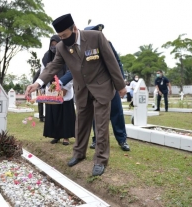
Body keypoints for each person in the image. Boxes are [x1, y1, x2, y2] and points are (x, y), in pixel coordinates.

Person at [25, 14, 126, 176]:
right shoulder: (61, 47)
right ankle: (78, 153)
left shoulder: (96, 37)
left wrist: (120, 86)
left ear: (74, 28)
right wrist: (37, 83)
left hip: (101, 87)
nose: (63, 39)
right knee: (81, 123)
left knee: (100, 125)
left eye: (65, 35)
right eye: (60, 37)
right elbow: (52, 67)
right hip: (82, 90)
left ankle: (100, 160)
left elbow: (111, 61)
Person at [59, 24, 130, 152]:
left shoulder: (107, 44)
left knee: (116, 112)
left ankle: (122, 139)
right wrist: (60, 82)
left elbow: (116, 63)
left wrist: (120, 84)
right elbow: (74, 71)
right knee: (95, 115)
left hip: (111, 85)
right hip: (94, 88)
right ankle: (96, 139)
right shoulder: (78, 49)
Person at [41, 35, 75, 145]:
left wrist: (65, 87)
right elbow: (44, 72)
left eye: (56, 45)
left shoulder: (67, 54)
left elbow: (72, 72)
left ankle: (66, 137)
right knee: (53, 113)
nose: (54, 47)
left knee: (65, 114)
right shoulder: (46, 56)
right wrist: (46, 86)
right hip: (52, 89)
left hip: (65, 89)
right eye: (52, 45)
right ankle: (56, 135)